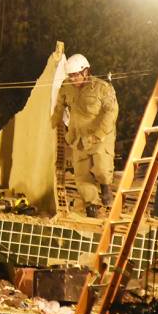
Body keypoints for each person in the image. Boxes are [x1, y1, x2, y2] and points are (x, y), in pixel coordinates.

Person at [51, 53, 118, 218]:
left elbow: (112, 111)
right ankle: (92, 207)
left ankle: (105, 186)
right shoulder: (66, 87)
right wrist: (53, 123)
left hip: (100, 135)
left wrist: (100, 134)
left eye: (76, 75)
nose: (73, 79)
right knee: (82, 175)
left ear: (86, 72)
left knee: (102, 168)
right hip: (78, 137)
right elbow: (59, 107)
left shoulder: (102, 88)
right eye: (71, 76)